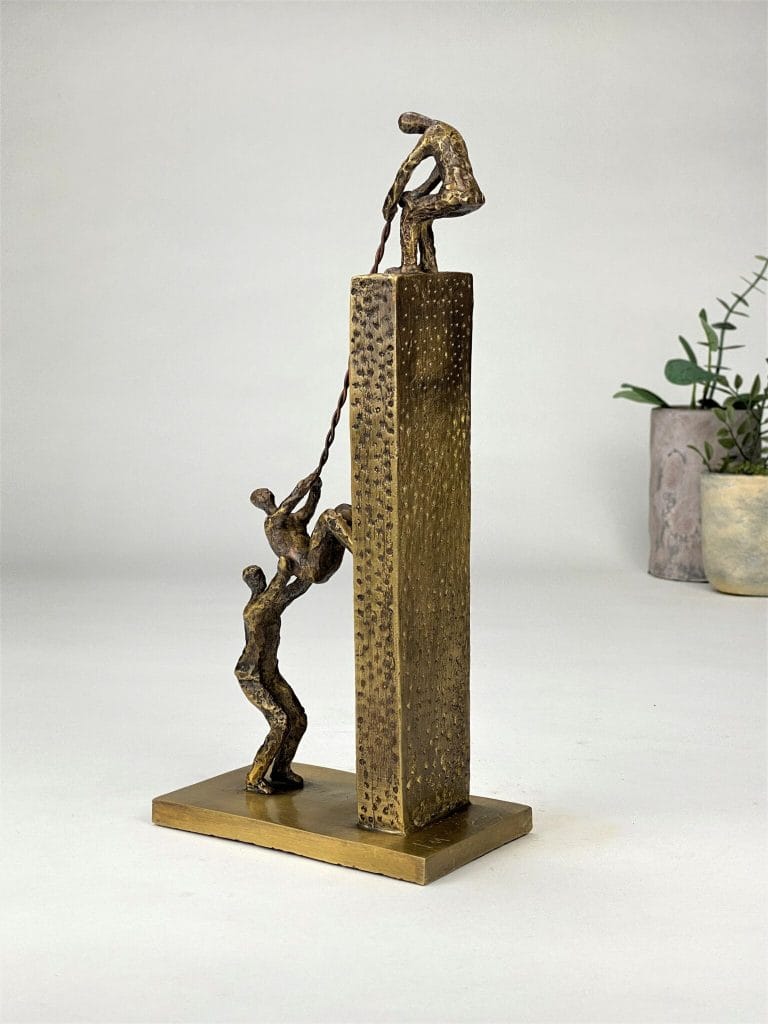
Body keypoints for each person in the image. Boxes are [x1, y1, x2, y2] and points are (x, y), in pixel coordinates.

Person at [235, 563, 311, 794]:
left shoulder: (272, 604)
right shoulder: (255, 610)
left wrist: (311, 570)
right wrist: (283, 572)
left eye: (260, 576)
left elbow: (296, 589)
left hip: (270, 674)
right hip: (252, 677)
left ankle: (281, 769)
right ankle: (254, 777)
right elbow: (278, 590)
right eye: (254, 578)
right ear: (250, 584)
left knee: (298, 718)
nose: (259, 580)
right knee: (280, 721)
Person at [382, 111, 485, 274]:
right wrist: (416, 194)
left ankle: (409, 266)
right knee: (423, 216)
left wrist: (390, 202)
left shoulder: (432, 133)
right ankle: (429, 264)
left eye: (409, 128)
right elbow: (440, 170)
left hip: (453, 195)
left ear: (416, 124)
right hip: (474, 195)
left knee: (410, 213)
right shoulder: (451, 132)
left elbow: (406, 168)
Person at [250, 473, 353, 585]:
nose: (265, 491)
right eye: (260, 493)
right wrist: (314, 475)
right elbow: (295, 496)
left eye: (265, 490)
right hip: (310, 567)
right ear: (258, 503)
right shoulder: (271, 523)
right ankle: (358, 550)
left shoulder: (292, 518)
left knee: (341, 510)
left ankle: (365, 531)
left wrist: (315, 489)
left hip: (323, 559)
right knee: (327, 516)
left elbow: (309, 508)